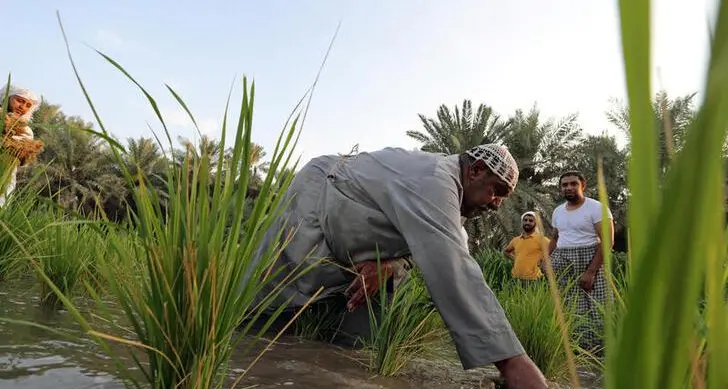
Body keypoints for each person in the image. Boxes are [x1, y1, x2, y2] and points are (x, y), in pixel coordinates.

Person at [248, 144, 548, 389]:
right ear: (476, 171)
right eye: (496, 191)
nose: (496, 204)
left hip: (357, 258)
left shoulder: (453, 211)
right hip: (314, 198)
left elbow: (435, 252)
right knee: (270, 307)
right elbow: (453, 269)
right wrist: (513, 362)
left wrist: (393, 264)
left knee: (354, 349)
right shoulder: (434, 179)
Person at [548, 170, 614, 355]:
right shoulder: (558, 211)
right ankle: (578, 350)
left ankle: (601, 352)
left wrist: (591, 271)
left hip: (590, 258)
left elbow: (608, 241)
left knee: (598, 305)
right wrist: (545, 260)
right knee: (569, 305)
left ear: (582, 185)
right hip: (563, 259)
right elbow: (555, 237)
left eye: (573, 184)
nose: (568, 187)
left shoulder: (596, 208)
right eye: (564, 185)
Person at [0, 84, 41, 207]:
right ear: (8, 98)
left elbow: (23, 158)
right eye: (20, 101)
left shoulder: (26, 130)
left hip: (4, 178)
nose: (22, 107)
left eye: (28, 105)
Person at [504, 211, 550, 284]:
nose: (527, 222)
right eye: (525, 220)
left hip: (534, 280)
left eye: (531, 220)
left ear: (536, 223)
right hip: (516, 278)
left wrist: (543, 263)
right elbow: (506, 251)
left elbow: (553, 250)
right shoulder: (516, 240)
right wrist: (515, 259)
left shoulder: (542, 239)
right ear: (522, 222)